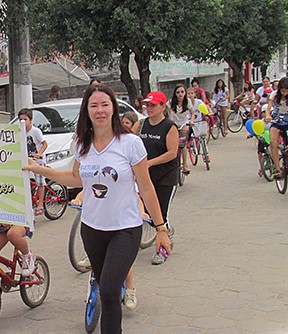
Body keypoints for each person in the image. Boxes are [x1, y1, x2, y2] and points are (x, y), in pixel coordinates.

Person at [23, 84, 171, 333]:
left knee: (112, 290)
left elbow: (146, 188)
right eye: (94, 105)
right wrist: (40, 169)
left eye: (105, 104)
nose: (100, 110)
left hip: (125, 229)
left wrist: (161, 229)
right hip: (92, 230)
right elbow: (76, 180)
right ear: (87, 111)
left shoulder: (130, 143)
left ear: (113, 108)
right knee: (105, 289)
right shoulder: (82, 145)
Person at [132, 91, 178, 266]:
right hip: (145, 178)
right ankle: (166, 229)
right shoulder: (141, 125)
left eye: (153, 105)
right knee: (146, 212)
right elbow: (126, 138)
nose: (148, 108)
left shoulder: (169, 126)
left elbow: (172, 153)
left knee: (161, 212)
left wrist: (149, 163)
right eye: (147, 105)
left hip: (165, 177)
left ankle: (162, 249)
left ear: (162, 106)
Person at [18, 108, 48, 216]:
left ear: (30, 120)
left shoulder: (35, 131)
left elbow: (45, 144)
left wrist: (39, 153)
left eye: (25, 119)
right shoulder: (19, 131)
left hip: (37, 160)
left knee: (40, 182)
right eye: (20, 119)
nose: (22, 122)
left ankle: (40, 204)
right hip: (26, 160)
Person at [168, 84, 194, 175]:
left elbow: (192, 113)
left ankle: (185, 165)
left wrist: (191, 120)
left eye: (182, 92)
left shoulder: (188, 102)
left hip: (183, 123)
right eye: (178, 92)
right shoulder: (170, 103)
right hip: (173, 123)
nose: (180, 94)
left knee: (183, 143)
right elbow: (165, 111)